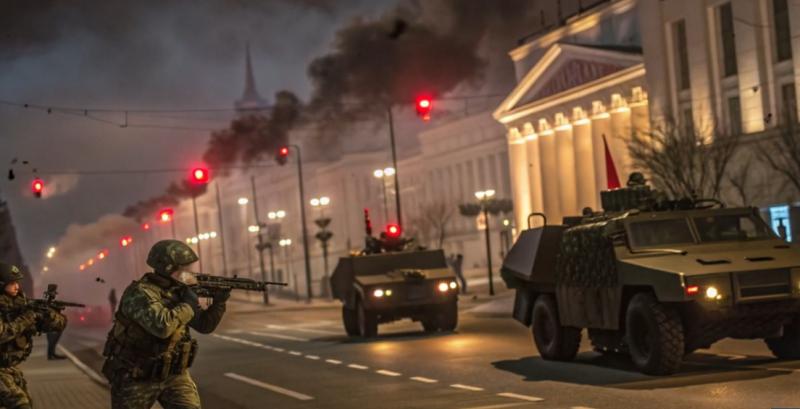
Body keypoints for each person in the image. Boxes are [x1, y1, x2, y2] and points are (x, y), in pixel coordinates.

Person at [102, 240, 230, 409]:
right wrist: (188, 305)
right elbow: (162, 327)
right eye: (184, 268)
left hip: (173, 374)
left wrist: (219, 303)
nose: (190, 272)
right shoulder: (139, 293)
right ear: (167, 268)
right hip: (136, 374)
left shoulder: (179, 292)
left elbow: (204, 326)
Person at [0, 262, 66, 409]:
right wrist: (27, 318)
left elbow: (57, 325)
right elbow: (3, 333)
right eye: (12, 283)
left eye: (17, 282)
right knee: (20, 403)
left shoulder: (20, 305)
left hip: (8, 368)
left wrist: (49, 315)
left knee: (27, 401)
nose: (17, 287)